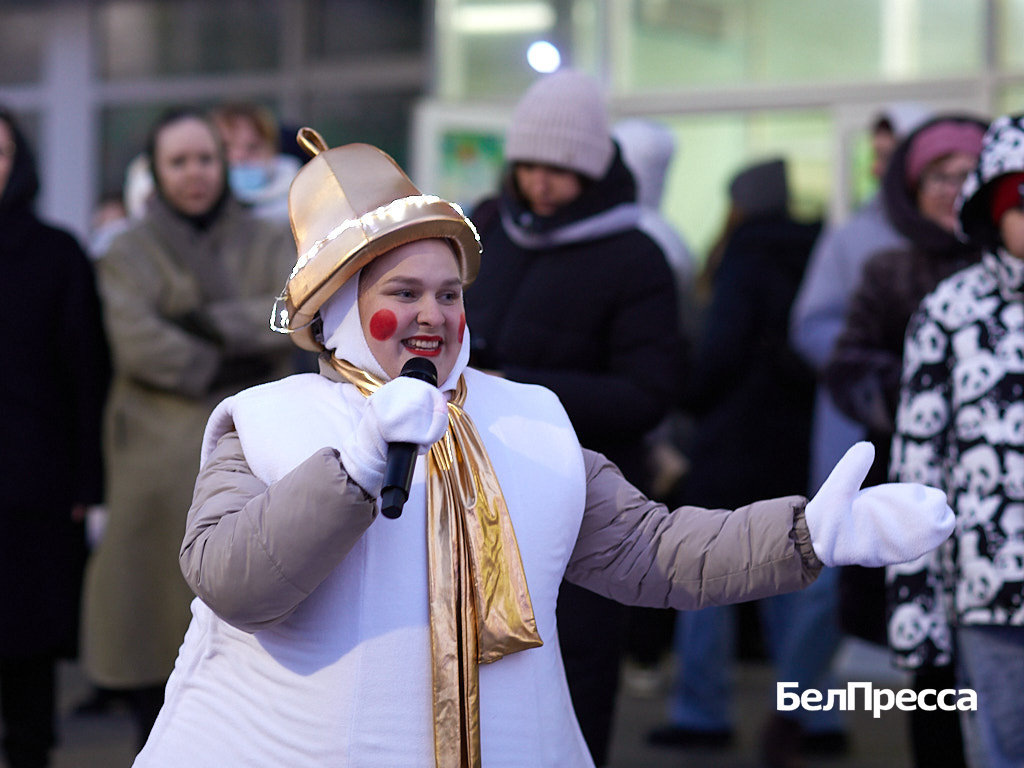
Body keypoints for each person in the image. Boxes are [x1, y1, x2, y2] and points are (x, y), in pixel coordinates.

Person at [124, 129, 955, 768]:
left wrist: (810, 536)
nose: (433, 316)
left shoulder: (527, 419)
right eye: (401, 293)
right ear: (340, 311)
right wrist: (355, 465)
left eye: (448, 293)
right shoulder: (266, 421)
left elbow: (653, 552)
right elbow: (234, 581)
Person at [463, 69, 683, 765]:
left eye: (558, 169)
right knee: (471, 672)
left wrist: (514, 385)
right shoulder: (487, 225)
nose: (539, 184)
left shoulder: (636, 255)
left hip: (582, 497)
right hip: (474, 489)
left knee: (574, 678)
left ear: (592, 167)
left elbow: (648, 392)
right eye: (527, 165)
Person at [80, 107, 297, 750]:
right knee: (150, 616)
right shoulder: (125, 250)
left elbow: (290, 311)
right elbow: (138, 342)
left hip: (251, 447)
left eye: (205, 158)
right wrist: (230, 347)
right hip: (151, 456)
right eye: (178, 162)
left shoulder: (268, 238)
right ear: (156, 171)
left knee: (251, 618)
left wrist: (200, 321)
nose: (195, 173)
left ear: (223, 165)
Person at [648, 158, 829, 768]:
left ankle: (703, 713)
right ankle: (814, 715)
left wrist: (687, 395)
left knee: (709, 572)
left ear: (741, 204)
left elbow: (721, 350)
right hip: (793, 439)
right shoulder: (813, 251)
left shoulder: (744, 255)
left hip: (732, 442)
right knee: (793, 573)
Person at [824, 114, 987, 768]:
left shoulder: (1009, 262)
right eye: (939, 176)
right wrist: (922, 397)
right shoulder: (890, 268)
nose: (953, 188)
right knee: (932, 667)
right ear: (913, 187)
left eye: (967, 174)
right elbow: (847, 365)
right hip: (916, 488)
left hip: (1003, 499)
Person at [888, 112, 1024, 768]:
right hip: (990, 589)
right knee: (995, 747)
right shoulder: (951, 310)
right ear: (992, 210)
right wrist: (916, 608)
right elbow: (918, 462)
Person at [0, 107, 110, 768]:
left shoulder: (56, 253)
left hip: (31, 483)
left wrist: (85, 482)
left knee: (25, 656)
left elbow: (86, 373)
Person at [210, 101, 301, 222]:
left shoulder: (303, 208)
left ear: (273, 150)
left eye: (253, 147)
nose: (239, 156)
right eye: (226, 147)